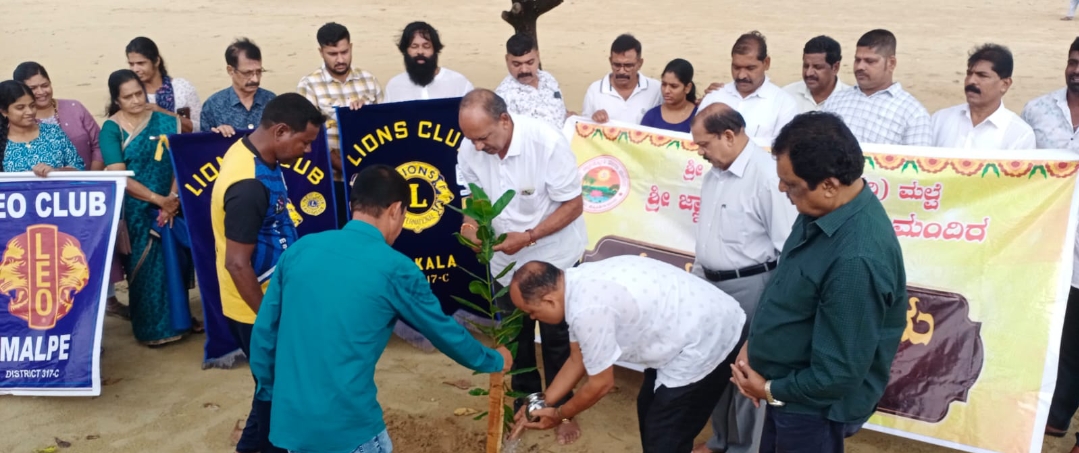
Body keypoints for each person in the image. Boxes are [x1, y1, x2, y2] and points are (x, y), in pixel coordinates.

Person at [249, 164, 512, 453]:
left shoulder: (300, 250)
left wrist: (271, 394)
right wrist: (493, 360)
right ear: (396, 209)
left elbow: (264, 334)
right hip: (349, 429)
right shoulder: (395, 268)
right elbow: (445, 333)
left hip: (288, 425)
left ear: (353, 205)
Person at [729, 112, 907, 453]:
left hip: (811, 409)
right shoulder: (821, 211)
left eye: (791, 183)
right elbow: (790, 285)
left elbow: (835, 375)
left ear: (829, 185)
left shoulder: (856, 260)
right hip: (786, 393)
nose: (782, 189)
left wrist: (768, 390)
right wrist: (756, 347)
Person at [457, 88, 587, 444]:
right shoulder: (470, 147)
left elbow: (573, 206)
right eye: (472, 140)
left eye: (483, 138)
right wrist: (469, 227)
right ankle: (528, 402)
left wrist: (528, 236)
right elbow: (470, 202)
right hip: (504, 261)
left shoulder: (545, 142)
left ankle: (561, 409)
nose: (478, 147)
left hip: (554, 255)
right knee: (516, 338)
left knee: (560, 339)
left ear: (504, 119)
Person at [511, 256, 745, 453]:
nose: (532, 318)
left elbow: (601, 384)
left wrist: (560, 414)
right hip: (683, 329)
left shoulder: (588, 309)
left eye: (532, 311)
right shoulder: (574, 285)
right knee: (649, 409)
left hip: (709, 337)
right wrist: (542, 403)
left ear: (549, 300)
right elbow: (577, 359)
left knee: (665, 434)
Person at [210, 93, 325, 453]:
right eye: (304, 142)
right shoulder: (249, 185)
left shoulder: (254, 153)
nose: (307, 151)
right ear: (280, 131)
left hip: (272, 302)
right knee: (277, 396)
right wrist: (268, 321)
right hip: (256, 309)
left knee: (273, 391)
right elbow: (237, 263)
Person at [689, 104, 796, 453]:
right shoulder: (714, 175)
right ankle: (722, 440)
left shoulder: (767, 177)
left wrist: (771, 308)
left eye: (704, 144)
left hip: (753, 287)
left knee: (747, 373)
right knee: (717, 367)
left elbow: (787, 250)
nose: (700, 152)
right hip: (711, 286)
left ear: (729, 136)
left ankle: (745, 448)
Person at [99, 70, 195, 347]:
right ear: (117, 100)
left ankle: (181, 322)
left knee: (174, 262)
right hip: (136, 211)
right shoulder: (112, 129)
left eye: (139, 93)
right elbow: (119, 175)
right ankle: (152, 329)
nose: (135, 100)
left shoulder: (165, 121)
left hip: (173, 204)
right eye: (127, 97)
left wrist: (172, 198)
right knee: (144, 269)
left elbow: (180, 161)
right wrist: (157, 200)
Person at [1021, 37, 1079, 451]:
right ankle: (1055, 414)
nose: (1077, 70)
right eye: (1073, 62)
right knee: (1057, 332)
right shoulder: (1038, 109)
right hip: (1045, 241)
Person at [297, 22, 382, 227]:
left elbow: (384, 127)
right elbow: (311, 139)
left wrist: (365, 115)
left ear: (351, 47)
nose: (340, 59)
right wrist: (347, 168)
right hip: (332, 181)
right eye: (332, 53)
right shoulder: (309, 85)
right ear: (321, 52)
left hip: (370, 180)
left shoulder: (369, 81)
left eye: (344, 51)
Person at [821, 29, 931, 146]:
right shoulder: (835, 100)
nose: (860, 67)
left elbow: (916, 161)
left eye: (870, 61)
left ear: (891, 63)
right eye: (857, 60)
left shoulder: (913, 113)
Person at [699, 31, 798, 141]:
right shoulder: (714, 97)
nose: (741, 76)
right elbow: (696, 141)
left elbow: (783, 151)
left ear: (766, 63)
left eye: (750, 68)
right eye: (736, 68)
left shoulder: (784, 104)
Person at [932, 44, 1034, 149]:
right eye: (969, 74)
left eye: (982, 76)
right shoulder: (940, 120)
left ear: (1005, 84)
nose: (971, 81)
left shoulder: (1019, 134)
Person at [13, 62, 104, 170]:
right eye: (33, 88)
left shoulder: (74, 108)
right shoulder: (20, 119)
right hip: (41, 186)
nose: (41, 92)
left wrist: (92, 179)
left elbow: (100, 145)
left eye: (45, 85)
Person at [0, 80, 83, 175]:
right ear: (4, 112)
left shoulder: (53, 132)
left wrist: (55, 172)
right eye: (20, 108)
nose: (30, 112)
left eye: (32, 106)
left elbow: (79, 168)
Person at [384, 21, 473, 103]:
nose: (420, 52)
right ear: (405, 51)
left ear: (435, 50)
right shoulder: (394, 86)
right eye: (414, 46)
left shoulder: (458, 83)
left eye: (426, 46)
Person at [581, 34, 661, 124]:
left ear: (640, 63)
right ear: (610, 61)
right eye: (617, 65)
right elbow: (584, 126)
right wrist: (593, 119)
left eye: (628, 65)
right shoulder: (595, 90)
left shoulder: (656, 89)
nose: (622, 71)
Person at [200, 38, 276, 133]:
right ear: (230, 70)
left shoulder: (272, 102)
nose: (255, 79)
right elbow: (205, 145)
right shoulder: (213, 105)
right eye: (247, 73)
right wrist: (217, 136)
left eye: (259, 72)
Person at [126, 37, 201, 133]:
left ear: (156, 61)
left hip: (181, 146)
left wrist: (164, 113)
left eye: (141, 63)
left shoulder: (182, 87)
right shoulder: (130, 93)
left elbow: (200, 126)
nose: (135, 69)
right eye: (131, 64)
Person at [495, 33, 569, 131]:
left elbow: (558, 110)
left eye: (530, 63)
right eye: (517, 64)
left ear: (538, 56)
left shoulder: (548, 78)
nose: (524, 70)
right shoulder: (503, 96)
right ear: (507, 59)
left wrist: (569, 117)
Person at [783, 36, 850, 113]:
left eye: (817, 67)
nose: (809, 73)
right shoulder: (787, 95)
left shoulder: (852, 102)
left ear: (835, 67)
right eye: (806, 66)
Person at [639, 59, 698, 133]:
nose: (666, 91)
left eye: (674, 86)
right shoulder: (651, 116)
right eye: (664, 84)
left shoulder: (699, 117)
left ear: (687, 88)